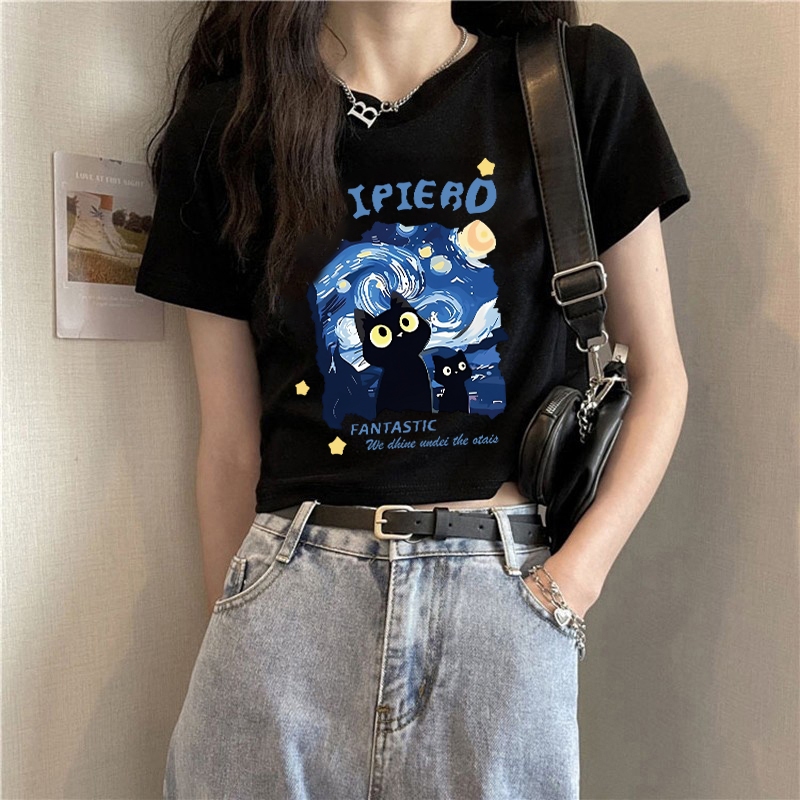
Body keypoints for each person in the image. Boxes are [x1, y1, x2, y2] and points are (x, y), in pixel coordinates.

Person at [135, 1, 691, 797]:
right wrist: (242, 610)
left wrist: (572, 584)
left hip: (504, 601)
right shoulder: (231, 123)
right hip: (290, 606)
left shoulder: (574, 82)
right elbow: (228, 443)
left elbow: (657, 376)